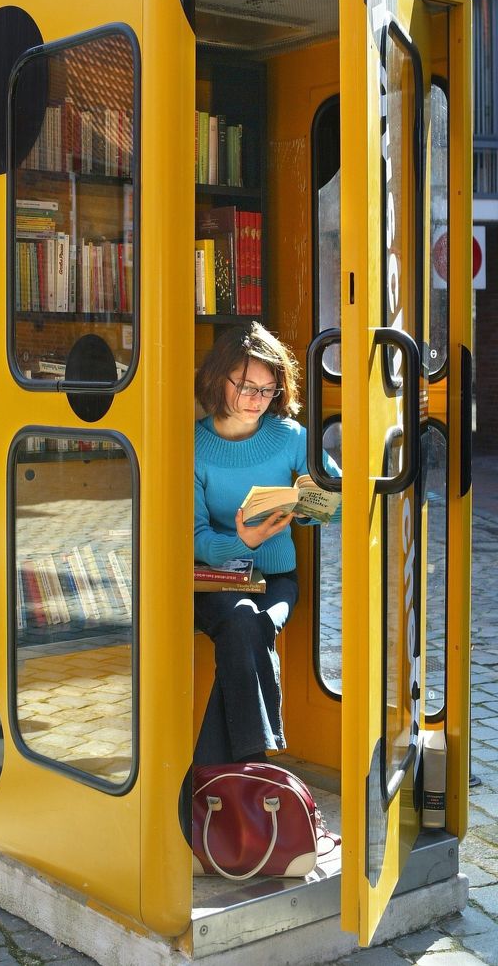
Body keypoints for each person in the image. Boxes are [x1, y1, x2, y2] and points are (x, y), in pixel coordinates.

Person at [193, 322, 340, 765]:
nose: (258, 400)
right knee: (242, 621)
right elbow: (195, 536)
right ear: (220, 379)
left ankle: (223, 774)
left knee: (251, 626)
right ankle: (255, 762)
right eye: (247, 387)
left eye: (269, 390)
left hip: (277, 580)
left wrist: (310, 507)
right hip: (215, 582)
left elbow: (334, 499)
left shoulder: (291, 437)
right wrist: (240, 540)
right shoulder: (192, 446)